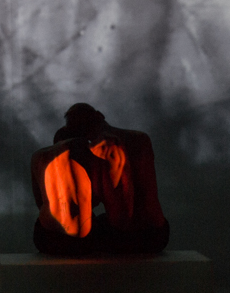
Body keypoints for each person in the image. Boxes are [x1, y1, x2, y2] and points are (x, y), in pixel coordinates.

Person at [31, 103, 169, 255]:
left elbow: (40, 203)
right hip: (151, 235)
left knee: (81, 223)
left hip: (54, 240)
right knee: (107, 223)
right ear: (100, 116)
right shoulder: (138, 139)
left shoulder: (42, 156)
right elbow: (120, 218)